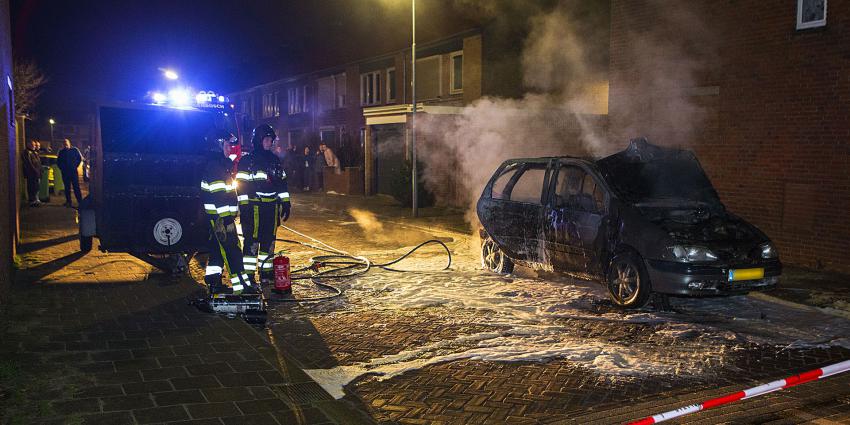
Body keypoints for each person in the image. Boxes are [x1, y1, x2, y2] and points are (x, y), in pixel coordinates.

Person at [235, 124, 291, 290]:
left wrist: (285, 202)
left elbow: (282, 184)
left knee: (269, 241)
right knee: (252, 242)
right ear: (258, 140)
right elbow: (241, 186)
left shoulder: (275, 160)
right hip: (254, 208)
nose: (269, 142)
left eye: (271, 139)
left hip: (271, 208)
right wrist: (244, 207)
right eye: (266, 139)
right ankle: (249, 275)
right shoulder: (247, 161)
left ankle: (266, 272)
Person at [201, 131, 253, 295]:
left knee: (217, 249)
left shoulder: (221, 165)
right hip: (220, 219)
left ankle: (213, 281)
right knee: (232, 250)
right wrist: (227, 219)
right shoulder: (215, 167)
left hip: (221, 218)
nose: (230, 149)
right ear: (218, 146)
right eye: (226, 145)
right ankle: (240, 288)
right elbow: (220, 197)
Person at [57, 139, 83, 207]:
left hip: (73, 172)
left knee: (76, 187)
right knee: (67, 188)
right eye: (64, 143)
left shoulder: (74, 150)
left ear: (69, 143)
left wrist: (75, 166)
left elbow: (79, 159)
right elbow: (58, 161)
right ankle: (68, 202)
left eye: (66, 143)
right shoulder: (61, 152)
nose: (65, 144)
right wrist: (62, 168)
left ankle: (80, 202)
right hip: (65, 173)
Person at [22, 140, 43, 207]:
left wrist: (39, 170)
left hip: (36, 173)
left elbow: (37, 162)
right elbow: (29, 163)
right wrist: (35, 170)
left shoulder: (33, 152)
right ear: (28, 145)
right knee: (32, 187)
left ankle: (35, 200)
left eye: (35, 145)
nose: (35, 146)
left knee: (36, 187)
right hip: (32, 174)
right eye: (33, 145)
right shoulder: (27, 152)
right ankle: (32, 201)